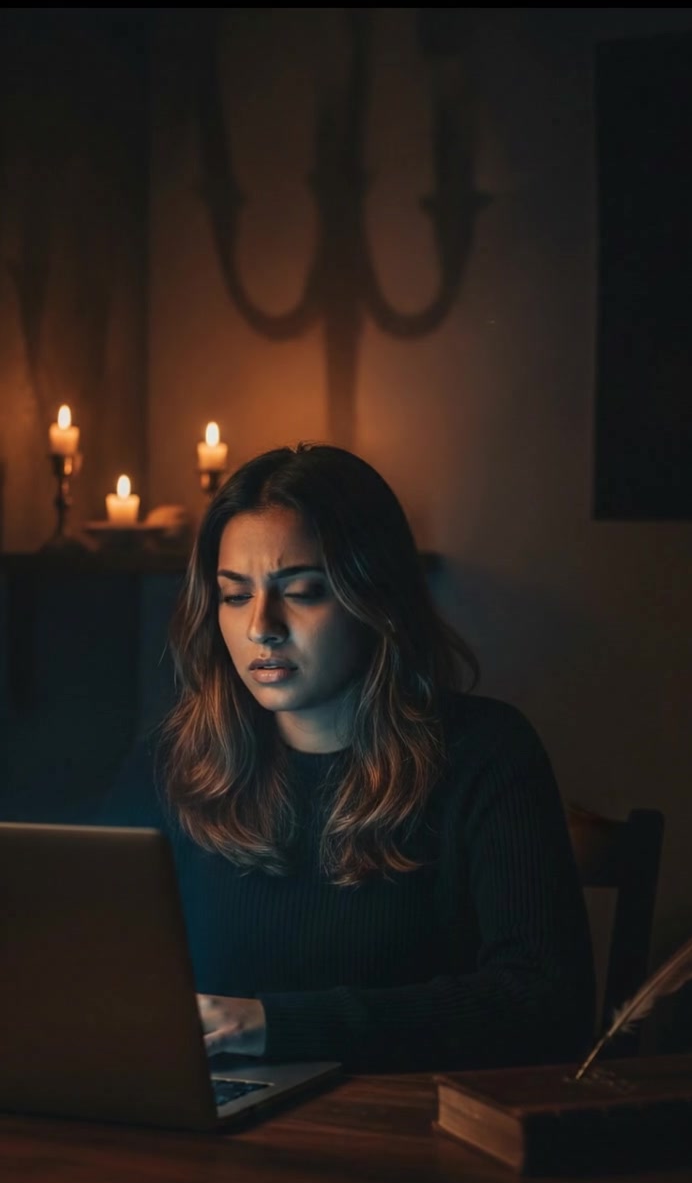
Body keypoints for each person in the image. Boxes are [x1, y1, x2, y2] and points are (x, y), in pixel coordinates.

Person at [100, 441, 596, 1072]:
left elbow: (545, 1004)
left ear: (375, 597)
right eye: (234, 595)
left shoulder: (484, 752)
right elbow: (82, 954)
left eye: (303, 591)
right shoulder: (173, 760)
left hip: (408, 1118)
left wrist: (277, 1025)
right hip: (216, 1111)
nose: (261, 627)